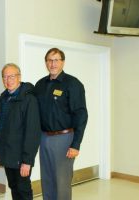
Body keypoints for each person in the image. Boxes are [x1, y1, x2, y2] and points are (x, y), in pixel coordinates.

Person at [34, 48, 88, 200]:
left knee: (62, 181)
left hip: (64, 139)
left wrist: (76, 144)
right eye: (50, 60)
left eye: (56, 60)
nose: (53, 63)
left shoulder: (72, 84)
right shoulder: (40, 85)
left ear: (63, 62)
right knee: (47, 179)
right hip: (44, 138)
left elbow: (81, 115)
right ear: (46, 63)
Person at [0, 63, 41, 200]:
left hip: (21, 156)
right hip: (7, 152)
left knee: (23, 189)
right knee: (13, 187)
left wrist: (27, 161)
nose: (8, 80)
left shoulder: (29, 99)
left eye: (12, 76)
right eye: (5, 77)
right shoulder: (3, 98)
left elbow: (33, 132)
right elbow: (0, 127)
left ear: (19, 77)